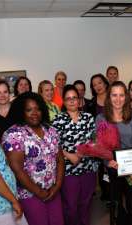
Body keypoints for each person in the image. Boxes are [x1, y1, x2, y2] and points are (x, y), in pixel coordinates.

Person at [2, 92, 64, 225]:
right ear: (21, 112)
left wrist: (57, 186)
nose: (34, 113)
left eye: (38, 109)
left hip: (53, 191)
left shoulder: (51, 130)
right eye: (29, 109)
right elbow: (17, 169)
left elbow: (60, 160)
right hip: (30, 194)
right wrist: (39, 192)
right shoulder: (14, 134)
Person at [96, 81, 132, 225]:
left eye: (121, 95)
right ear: (109, 97)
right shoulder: (101, 119)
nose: (118, 99)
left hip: (131, 170)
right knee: (117, 207)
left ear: (126, 97)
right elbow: (100, 146)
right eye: (114, 95)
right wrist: (107, 161)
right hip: (113, 168)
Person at [52, 85, 97, 225]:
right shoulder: (58, 120)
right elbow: (53, 145)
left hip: (88, 168)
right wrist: (69, 155)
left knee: (86, 203)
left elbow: (95, 140)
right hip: (68, 170)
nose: (72, 101)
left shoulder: (88, 117)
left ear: (79, 100)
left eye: (74, 98)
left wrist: (82, 152)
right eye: (68, 99)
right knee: (70, 206)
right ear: (64, 102)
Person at [86, 74, 110, 201]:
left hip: (116, 142)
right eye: (94, 85)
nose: (97, 86)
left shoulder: (114, 99)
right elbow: (90, 127)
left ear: (105, 83)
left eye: (99, 83)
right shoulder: (90, 104)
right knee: (102, 171)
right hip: (99, 144)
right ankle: (107, 197)